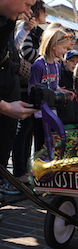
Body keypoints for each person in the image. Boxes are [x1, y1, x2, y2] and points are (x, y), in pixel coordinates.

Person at [0, 0, 37, 199]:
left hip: (9, 82)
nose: (28, 11)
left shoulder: (7, 21)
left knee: (7, 137)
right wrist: (4, 107)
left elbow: (12, 48)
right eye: (27, 3)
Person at [12, 0, 47, 184]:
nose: (46, 15)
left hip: (32, 89)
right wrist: (44, 54)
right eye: (44, 11)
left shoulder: (37, 31)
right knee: (23, 131)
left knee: (29, 131)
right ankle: (19, 172)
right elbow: (25, 52)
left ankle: (25, 170)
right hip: (25, 87)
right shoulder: (25, 28)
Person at [28, 27, 75, 152]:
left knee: (52, 141)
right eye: (64, 48)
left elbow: (55, 86)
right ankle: (38, 167)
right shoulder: (38, 65)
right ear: (54, 46)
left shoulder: (57, 65)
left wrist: (62, 91)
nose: (65, 51)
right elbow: (33, 89)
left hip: (52, 109)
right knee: (41, 142)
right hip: (39, 112)